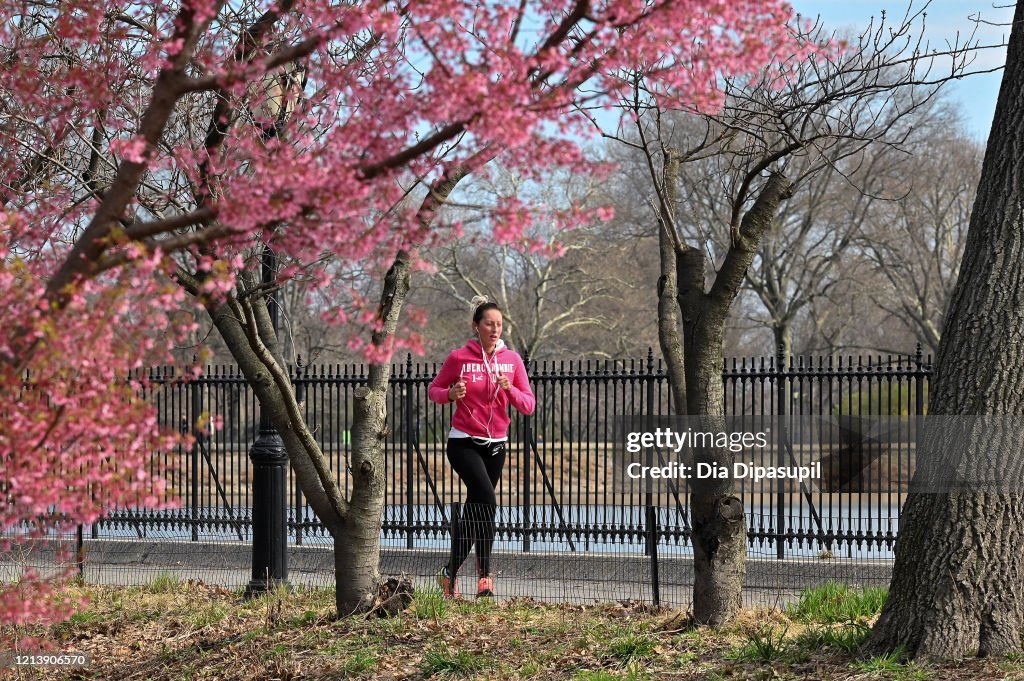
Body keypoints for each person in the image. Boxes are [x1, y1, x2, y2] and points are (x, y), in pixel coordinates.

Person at [428, 296, 535, 598]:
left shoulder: (512, 361)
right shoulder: (460, 358)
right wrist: (450, 393)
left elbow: (528, 405)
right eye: (489, 323)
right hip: (463, 442)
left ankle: (452, 574)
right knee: (487, 500)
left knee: (475, 510)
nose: (495, 329)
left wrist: (509, 389)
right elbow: (433, 390)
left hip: (496, 445)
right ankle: (484, 576)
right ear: (476, 326)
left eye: (499, 324)